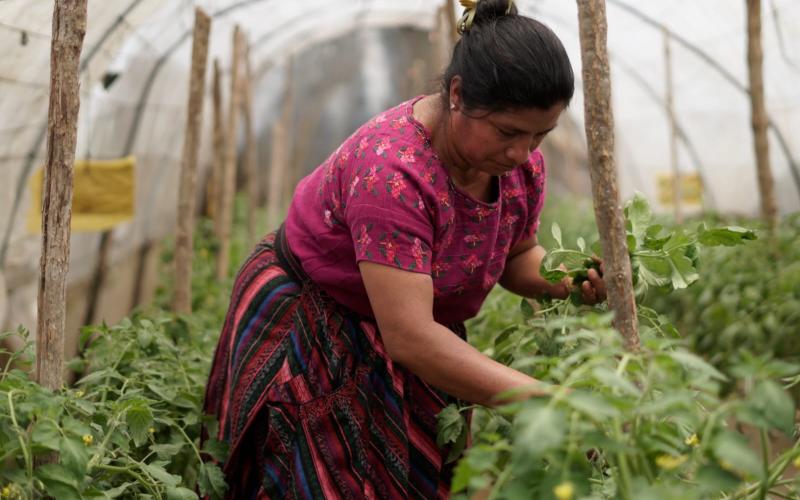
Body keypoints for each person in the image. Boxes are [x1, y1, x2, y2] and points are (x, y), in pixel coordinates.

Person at [203, 0, 606, 497]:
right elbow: (412, 338)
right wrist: (544, 399)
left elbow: (518, 257)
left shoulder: (517, 166)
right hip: (315, 319)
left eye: (541, 134)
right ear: (457, 94)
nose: (522, 153)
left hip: (408, 327)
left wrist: (574, 276)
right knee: (325, 479)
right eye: (508, 132)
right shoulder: (392, 172)